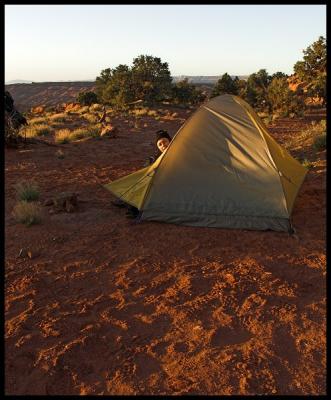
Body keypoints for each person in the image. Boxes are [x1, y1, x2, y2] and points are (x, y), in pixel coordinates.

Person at [112, 129, 172, 218]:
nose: (163, 145)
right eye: (160, 144)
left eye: (165, 142)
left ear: (170, 141)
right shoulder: (155, 157)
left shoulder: (179, 154)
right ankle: (129, 202)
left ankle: (132, 206)